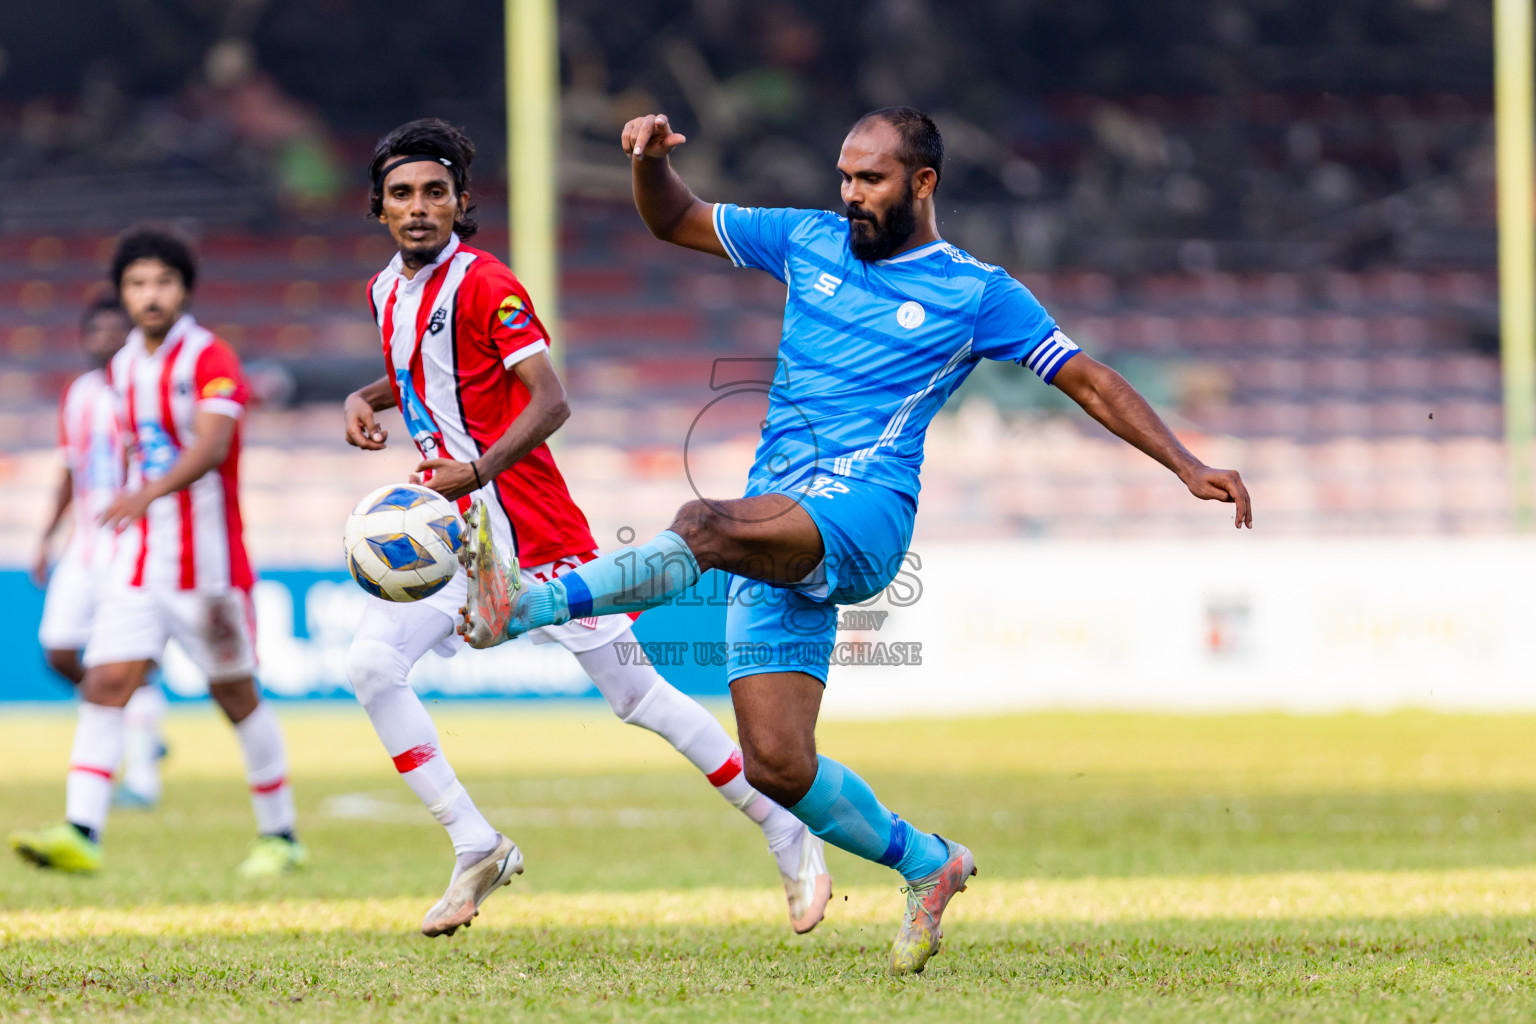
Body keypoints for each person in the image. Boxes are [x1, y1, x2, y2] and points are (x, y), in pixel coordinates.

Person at [458, 107, 1254, 975]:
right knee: (774, 765)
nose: (850, 196)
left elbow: (1087, 377)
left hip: (863, 517)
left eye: (870, 180)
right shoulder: (805, 239)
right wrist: (649, 163)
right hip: (780, 524)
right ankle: (929, 862)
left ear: (923, 184)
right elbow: (676, 218)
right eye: (843, 177)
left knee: (702, 525)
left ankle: (523, 603)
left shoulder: (976, 292)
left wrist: (1184, 462)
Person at [341, 118, 827, 938]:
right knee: (370, 664)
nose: (418, 208)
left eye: (434, 192)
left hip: (530, 526)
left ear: (462, 203)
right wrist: (368, 398)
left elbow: (550, 398)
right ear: (378, 208)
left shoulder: (486, 281)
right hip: (453, 531)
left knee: (639, 697)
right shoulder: (385, 288)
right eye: (401, 195)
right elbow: (421, 372)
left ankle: (789, 833)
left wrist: (480, 470)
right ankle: (476, 845)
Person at [9, 228, 304, 877]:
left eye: (163, 283)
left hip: (209, 568)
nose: (150, 295)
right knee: (107, 682)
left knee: (235, 694)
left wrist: (146, 493)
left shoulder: (209, 356)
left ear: (184, 290)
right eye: (138, 284)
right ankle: (82, 829)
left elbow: (214, 445)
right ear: (122, 293)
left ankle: (280, 835)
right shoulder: (122, 369)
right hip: (138, 564)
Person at [33, 293, 168, 807]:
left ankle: (142, 777)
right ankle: (138, 721)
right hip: (85, 544)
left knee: (128, 657)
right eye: (95, 331)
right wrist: (48, 535)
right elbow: (71, 467)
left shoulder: (145, 387)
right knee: (59, 649)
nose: (104, 339)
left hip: (134, 542)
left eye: (115, 330)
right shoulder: (80, 394)